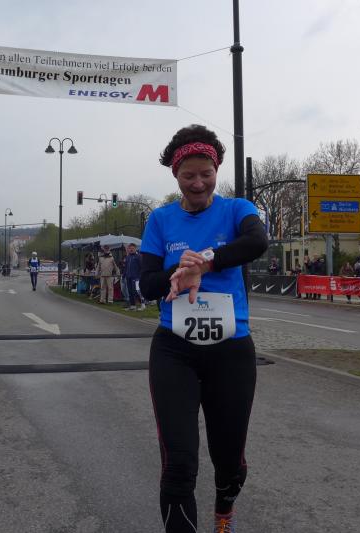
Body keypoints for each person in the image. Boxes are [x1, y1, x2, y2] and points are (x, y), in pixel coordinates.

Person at [140, 124, 269, 532]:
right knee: (179, 463)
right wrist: (179, 271)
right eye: (188, 175)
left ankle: (224, 505)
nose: (198, 183)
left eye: (206, 174)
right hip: (174, 349)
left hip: (231, 350)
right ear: (175, 176)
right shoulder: (160, 219)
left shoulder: (236, 210)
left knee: (229, 461)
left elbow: (257, 242)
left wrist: (206, 264)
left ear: (217, 171)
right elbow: (146, 284)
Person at [123, 243, 144, 311]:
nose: (131, 249)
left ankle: (143, 304)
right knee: (130, 292)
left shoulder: (138, 256)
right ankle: (133, 305)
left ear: (135, 249)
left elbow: (142, 267)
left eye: (132, 248)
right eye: (130, 248)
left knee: (136, 292)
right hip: (128, 277)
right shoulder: (128, 257)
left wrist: (140, 276)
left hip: (136, 277)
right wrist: (124, 275)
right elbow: (126, 267)